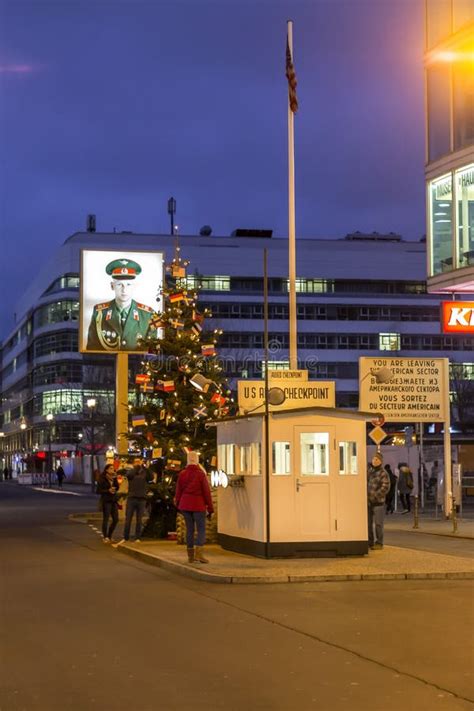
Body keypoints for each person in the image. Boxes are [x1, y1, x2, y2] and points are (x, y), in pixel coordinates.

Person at [86, 258, 160, 352]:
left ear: (134, 286)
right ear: (112, 286)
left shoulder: (147, 315)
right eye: (119, 285)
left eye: (128, 284)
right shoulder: (99, 313)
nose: (124, 290)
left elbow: (152, 353)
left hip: (137, 366)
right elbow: (92, 350)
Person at [174, 451, 214, 564]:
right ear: (197, 460)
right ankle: (199, 554)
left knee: (189, 530)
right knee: (201, 529)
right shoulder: (201, 474)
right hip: (198, 505)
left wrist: (178, 504)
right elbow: (206, 493)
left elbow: (178, 491)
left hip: (185, 505)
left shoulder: (182, 474)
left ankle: (190, 556)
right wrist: (210, 508)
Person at [115, 458, 152, 545]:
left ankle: (137, 537)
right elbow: (129, 475)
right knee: (128, 519)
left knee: (139, 519)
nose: (138, 463)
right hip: (132, 498)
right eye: (136, 462)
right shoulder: (131, 471)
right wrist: (135, 468)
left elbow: (151, 477)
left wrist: (145, 467)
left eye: (139, 461)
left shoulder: (145, 472)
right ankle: (126, 537)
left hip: (141, 498)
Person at [367, 452, 390, 550]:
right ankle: (370, 541)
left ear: (380, 461)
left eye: (377, 460)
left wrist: (375, 495)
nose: (374, 461)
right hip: (369, 502)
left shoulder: (383, 473)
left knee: (378, 524)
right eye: (374, 459)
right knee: (368, 523)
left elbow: (385, 487)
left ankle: (379, 542)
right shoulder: (369, 471)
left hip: (378, 503)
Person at [96, 463, 120, 542]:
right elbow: (98, 490)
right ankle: (105, 536)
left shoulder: (114, 477)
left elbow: (117, 487)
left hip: (113, 500)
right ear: (106, 470)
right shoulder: (102, 478)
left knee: (116, 519)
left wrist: (115, 479)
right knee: (106, 519)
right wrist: (107, 490)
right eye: (110, 468)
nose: (112, 470)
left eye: (113, 468)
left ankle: (110, 535)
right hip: (106, 500)